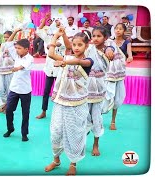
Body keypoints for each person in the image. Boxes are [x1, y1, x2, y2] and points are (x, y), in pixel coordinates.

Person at [44, 28, 93, 176]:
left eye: (80, 45)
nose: (76, 48)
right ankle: (56, 159)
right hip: (61, 102)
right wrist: (56, 36)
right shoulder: (67, 57)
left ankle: (73, 163)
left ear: (86, 46)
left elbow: (79, 61)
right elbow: (51, 54)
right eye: (74, 45)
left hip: (77, 104)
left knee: (74, 133)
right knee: (56, 132)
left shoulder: (88, 61)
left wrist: (65, 61)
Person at [35, 13, 71, 119]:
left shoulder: (65, 37)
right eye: (55, 21)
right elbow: (39, 30)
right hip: (50, 69)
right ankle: (43, 111)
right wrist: (44, 19)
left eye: (59, 20)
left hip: (61, 68)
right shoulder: (49, 37)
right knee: (46, 91)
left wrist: (60, 35)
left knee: (62, 92)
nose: (57, 22)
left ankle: (62, 113)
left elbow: (66, 46)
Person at [85, 27, 114, 156]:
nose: (95, 38)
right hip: (85, 88)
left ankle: (95, 144)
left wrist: (109, 49)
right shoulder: (88, 49)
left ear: (105, 38)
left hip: (99, 90)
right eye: (93, 36)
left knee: (97, 118)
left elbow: (111, 49)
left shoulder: (107, 50)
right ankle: (81, 143)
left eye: (98, 36)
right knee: (83, 117)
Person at [2, 28, 34, 142]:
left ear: (26, 49)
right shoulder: (16, 55)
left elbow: (23, 66)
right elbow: (8, 43)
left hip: (25, 90)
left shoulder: (30, 58)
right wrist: (15, 32)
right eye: (16, 48)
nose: (16, 50)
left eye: (19, 48)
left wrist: (17, 68)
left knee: (25, 113)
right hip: (14, 89)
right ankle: (10, 129)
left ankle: (24, 133)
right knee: (9, 110)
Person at [106, 23, 133, 130]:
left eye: (120, 29)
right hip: (108, 72)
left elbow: (129, 54)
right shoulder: (109, 42)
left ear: (124, 31)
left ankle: (113, 121)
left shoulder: (127, 42)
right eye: (116, 29)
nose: (118, 31)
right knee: (103, 95)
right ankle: (96, 118)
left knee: (117, 98)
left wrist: (130, 58)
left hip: (119, 73)